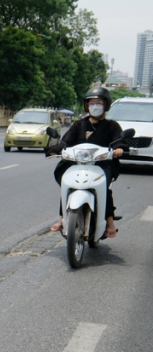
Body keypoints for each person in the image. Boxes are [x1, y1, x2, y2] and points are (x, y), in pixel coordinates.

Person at [46, 85, 129, 238]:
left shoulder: (112, 126)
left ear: (106, 105)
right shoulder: (79, 124)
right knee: (68, 182)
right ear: (86, 105)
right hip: (77, 163)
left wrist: (119, 149)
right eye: (91, 103)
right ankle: (64, 217)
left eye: (99, 103)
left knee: (105, 187)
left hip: (101, 164)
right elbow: (65, 142)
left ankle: (110, 221)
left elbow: (119, 141)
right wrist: (55, 149)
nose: (95, 106)